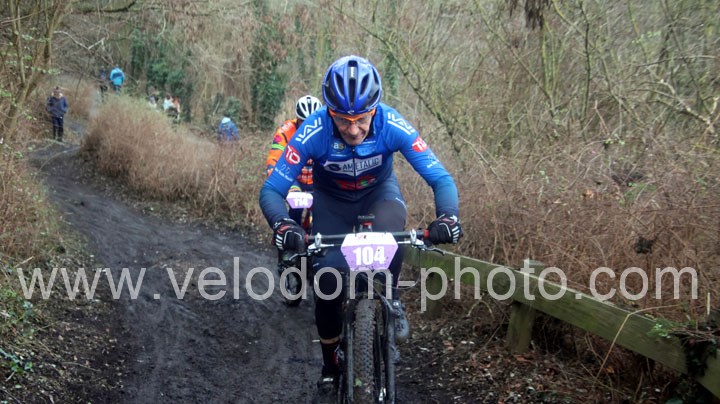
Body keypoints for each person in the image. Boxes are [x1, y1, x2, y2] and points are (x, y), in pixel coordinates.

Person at [259, 55, 463, 402]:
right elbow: (272, 190)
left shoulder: (392, 123)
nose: (353, 130)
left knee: (391, 234)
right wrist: (282, 224)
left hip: (379, 195)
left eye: (361, 119)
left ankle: (392, 300)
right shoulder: (314, 130)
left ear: (375, 109)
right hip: (331, 203)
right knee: (327, 282)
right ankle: (329, 367)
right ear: (329, 112)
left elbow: (440, 178)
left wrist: (448, 217)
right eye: (342, 119)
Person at [264, 95, 322, 224]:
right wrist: (274, 173)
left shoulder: (326, 130)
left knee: (323, 211)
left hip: (317, 178)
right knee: (297, 206)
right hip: (293, 177)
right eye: (303, 122)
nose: (308, 127)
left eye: (312, 122)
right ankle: (289, 230)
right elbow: (274, 158)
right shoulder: (285, 131)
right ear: (297, 119)